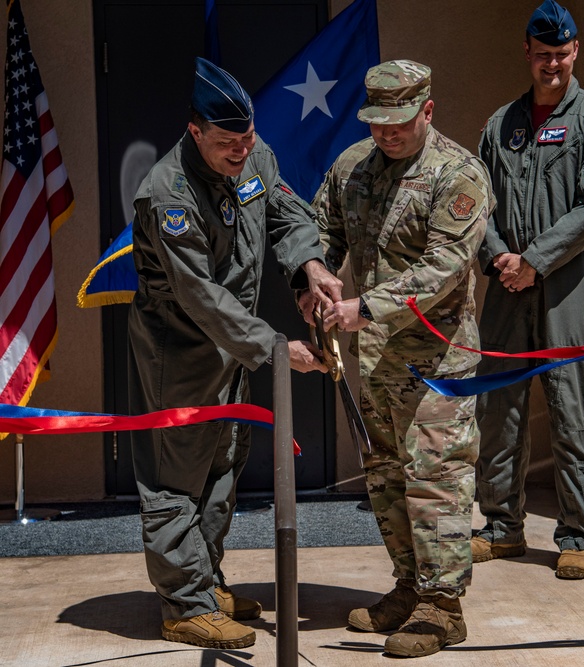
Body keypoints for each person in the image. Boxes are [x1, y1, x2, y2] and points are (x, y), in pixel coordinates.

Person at [128, 57, 341, 649]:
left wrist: (309, 267)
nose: (242, 152)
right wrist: (273, 348)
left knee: (222, 463)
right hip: (183, 349)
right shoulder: (167, 195)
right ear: (195, 132)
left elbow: (286, 212)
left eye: (247, 138)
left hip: (235, 346)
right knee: (177, 474)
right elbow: (200, 296)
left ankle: (205, 583)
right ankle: (183, 606)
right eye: (227, 143)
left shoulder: (254, 153)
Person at [309, 60, 493, 658]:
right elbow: (323, 232)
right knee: (386, 475)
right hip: (373, 361)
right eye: (378, 123)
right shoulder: (350, 168)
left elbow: (444, 266)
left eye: (400, 123)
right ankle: (410, 586)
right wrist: (312, 277)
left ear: (428, 110)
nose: (388, 134)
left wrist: (368, 307)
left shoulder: (458, 173)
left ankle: (443, 608)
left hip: (438, 362)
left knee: (436, 480)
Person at [472, 0, 584, 580]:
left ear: (576, 51)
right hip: (507, 285)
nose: (552, 65)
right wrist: (500, 260)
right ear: (527, 54)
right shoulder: (500, 125)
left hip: (565, 287)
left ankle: (576, 535)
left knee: (569, 407)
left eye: (561, 54)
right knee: (499, 405)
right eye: (543, 55)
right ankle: (501, 527)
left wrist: (535, 261)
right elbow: (478, 204)